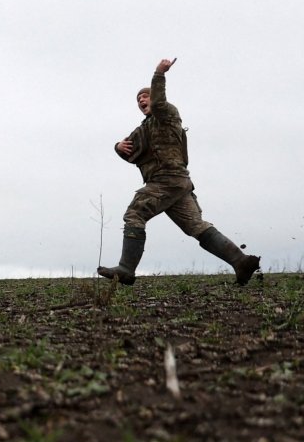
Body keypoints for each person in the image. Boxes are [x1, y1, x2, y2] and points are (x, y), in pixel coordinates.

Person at [100, 57, 259, 287]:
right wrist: (117, 147)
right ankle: (241, 262)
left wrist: (159, 73)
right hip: (177, 183)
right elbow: (131, 150)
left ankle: (126, 268)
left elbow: (160, 101)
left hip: (168, 179)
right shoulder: (145, 127)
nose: (141, 100)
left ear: (154, 97)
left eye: (145, 96)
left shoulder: (166, 113)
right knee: (195, 226)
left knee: (135, 213)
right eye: (138, 99)